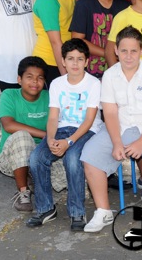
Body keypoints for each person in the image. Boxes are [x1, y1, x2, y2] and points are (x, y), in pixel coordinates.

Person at [81, 26, 142, 233]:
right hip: (120, 126)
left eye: (134, 50)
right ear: (116, 50)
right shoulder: (109, 75)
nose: (128, 56)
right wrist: (116, 142)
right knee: (90, 155)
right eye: (123, 50)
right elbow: (110, 112)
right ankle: (103, 211)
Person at [26, 39, 102, 231]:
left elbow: (89, 120)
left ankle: (77, 212)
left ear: (86, 62)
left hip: (86, 131)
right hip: (61, 129)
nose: (75, 63)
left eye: (80, 59)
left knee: (73, 158)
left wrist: (69, 142)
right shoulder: (57, 84)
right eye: (70, 59)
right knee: (37, 158)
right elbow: (53, 117)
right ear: (63, 61)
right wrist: (51, 138)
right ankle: (45, 209)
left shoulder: (93, 83)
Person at [0, 56, 56, 212]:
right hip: (11, 158)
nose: (35, 81)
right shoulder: (9, 95)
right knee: (22, 136)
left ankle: (32, 175)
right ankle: (23, 192)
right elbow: (8, 125)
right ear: (19, 79)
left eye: (40, 78)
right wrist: (44, 134)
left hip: (40, 154)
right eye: (29, 77)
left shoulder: (49, 97)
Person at [69, 0, 129, 78]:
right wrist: (108, 54)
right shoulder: (84, 4)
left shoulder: (125, 7)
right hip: (89, 74)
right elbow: (77, 40)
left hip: (119, 72)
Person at [32, 0, 76, 86]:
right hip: (50, 62)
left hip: (66, 58)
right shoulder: (47, 0)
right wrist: (66, 78)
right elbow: (55, 42)